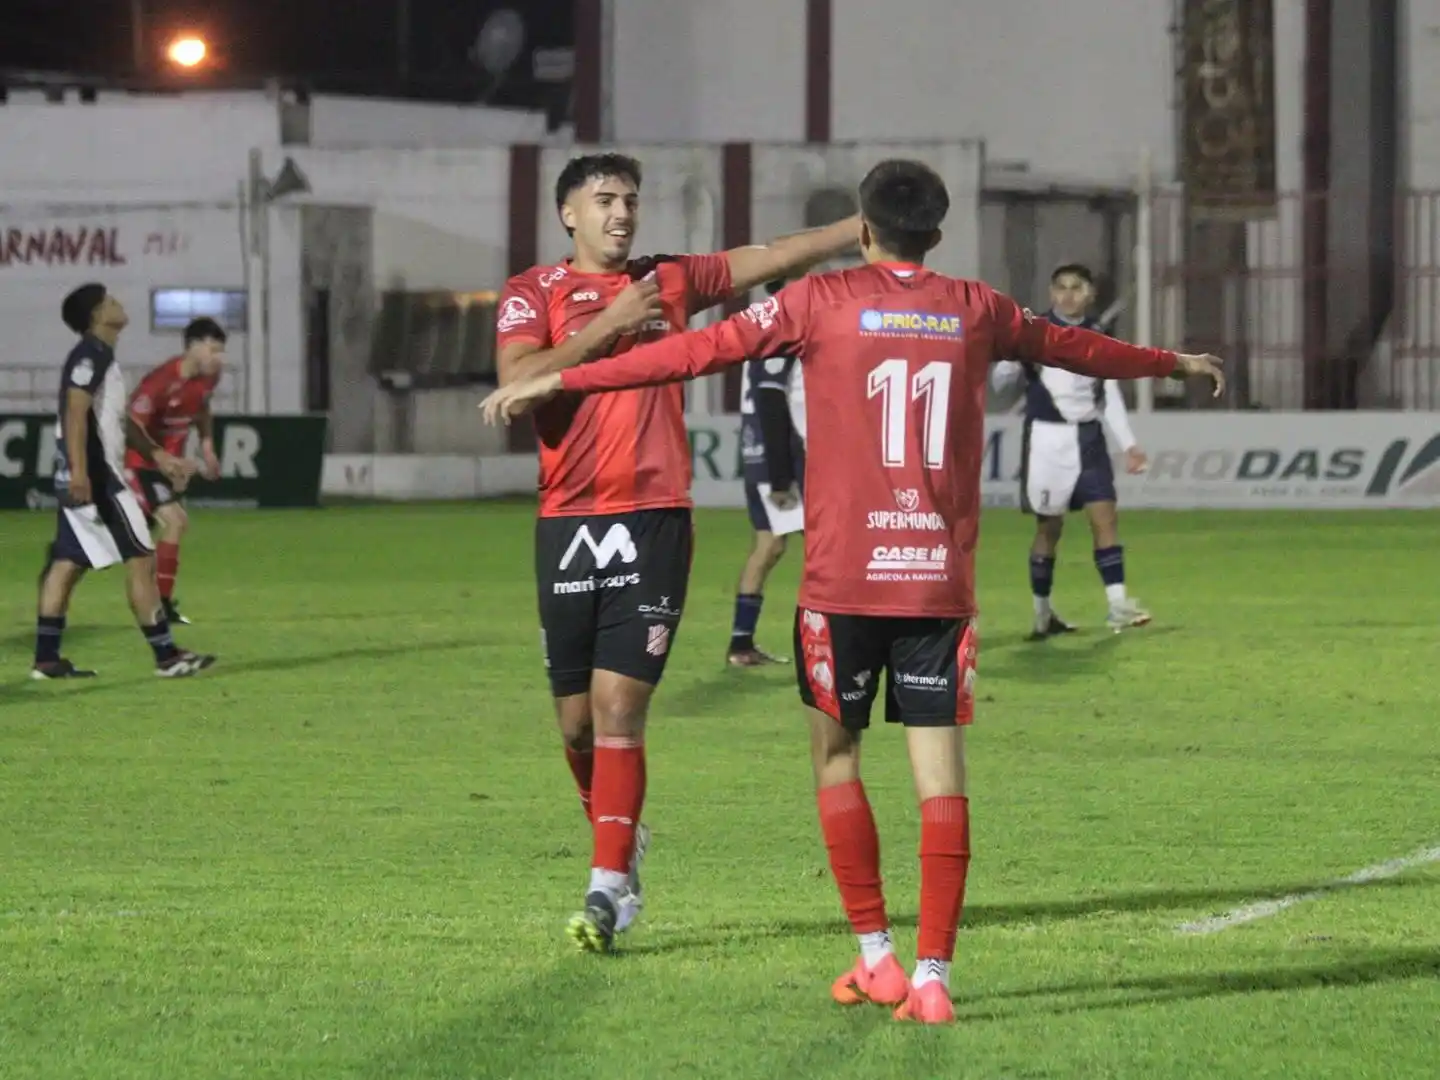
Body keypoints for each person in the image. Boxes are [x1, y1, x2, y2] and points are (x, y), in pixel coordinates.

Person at [481, 159, 1223, 1022]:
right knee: (941, 780)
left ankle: (877, 957)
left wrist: (566, 376)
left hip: (840, 581)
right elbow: (1074, 345)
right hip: (934, 582)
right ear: (936, 234)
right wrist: (1171, 362)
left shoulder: (817, 302)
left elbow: (689, 353)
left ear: (864, 229)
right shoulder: (977, 307)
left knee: (837, 759)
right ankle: (934, 978)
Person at [492, 153, 862, 953]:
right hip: (568, 520)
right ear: (568, 214)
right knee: (576, 726)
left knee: (620, 705)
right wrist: (612, 322)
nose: (621, 213)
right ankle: (622, 839)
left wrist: (856, 228)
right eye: (604, 200)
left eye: (630, 200)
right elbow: (521, 380)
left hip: (655, 517)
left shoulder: (669, 281)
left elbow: (769, 255)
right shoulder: (532, 292)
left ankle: (606, 888)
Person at [32, 283, 217, 680]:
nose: (120, 304)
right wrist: (81, 471)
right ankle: (166, 656)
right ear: (98, 315)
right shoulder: (91, 354)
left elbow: (118, 420)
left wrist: (157, 455)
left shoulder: (100, 355)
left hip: (85, 475)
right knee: (142, 558)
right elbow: (75, 412)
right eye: (111, 301)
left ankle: (46, 660)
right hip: (99, 479)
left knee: (67, 563)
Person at [991, 263, 1152, 638]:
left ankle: (1118, 606)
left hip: (1089, 438)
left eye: (1076, 287)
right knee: (1049, 528)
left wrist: (1128, 444)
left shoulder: (1099, 335)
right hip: (1047, 440)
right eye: (1061, 287)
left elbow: (1108, 393)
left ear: (1090, 294)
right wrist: (1010, 357)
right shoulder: (1033, 332)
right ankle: (1042, 614)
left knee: (1105, 519)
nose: (1067, 294)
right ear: (1051, 293)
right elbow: (1000, 382)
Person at [124, 317, 227, 626]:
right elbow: (130, 426)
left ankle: (160, 603)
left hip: (167, 468)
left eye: (221, 351)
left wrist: (206, 446)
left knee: (150, 532)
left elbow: (202, 408)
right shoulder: (160, 381)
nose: (219, 358)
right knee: (174, 522)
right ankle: (161, 605)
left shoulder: (209, 377)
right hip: (139, 464)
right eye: (213, 350)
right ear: (192, 347)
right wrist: (159, 456)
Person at [729, 278, 807, 667]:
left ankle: (741, 644)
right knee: (827, 550)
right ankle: (824, 640)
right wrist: (780, 477)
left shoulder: (764, 328)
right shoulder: (781, 331)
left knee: (770, 545)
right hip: (781, 461)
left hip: (762, 455)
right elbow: (772, 402)